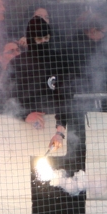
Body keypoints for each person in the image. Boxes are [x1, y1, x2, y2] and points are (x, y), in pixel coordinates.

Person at [10, 15, 70, 153]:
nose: (43, 42)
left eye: (46, 38)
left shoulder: (59, 61)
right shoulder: (17, 64)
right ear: (31, 40)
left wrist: (60, 131)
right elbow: (6, 97)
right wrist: (24, 115)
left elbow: (65, 96)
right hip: (23, 131)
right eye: (39, 39)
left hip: (53, 130)